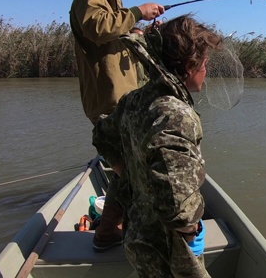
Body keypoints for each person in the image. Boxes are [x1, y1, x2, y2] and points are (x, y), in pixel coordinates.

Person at [93, 14, 219, 277]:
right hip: (170, 252)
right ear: (189, 66)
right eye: (204, 64)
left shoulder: (134, 100)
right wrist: (193, 229)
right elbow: (177, 208)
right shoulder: (176, 115)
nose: (206, 72)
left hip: (137, 235)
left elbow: (102, 137)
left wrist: (126, 174)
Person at [69, 0, 165, 252]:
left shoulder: (114, 8)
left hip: (125, 102)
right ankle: (112, 232)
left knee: (130, 173)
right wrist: (138, 12)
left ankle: (109, 231)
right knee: (132, 174)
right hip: (109, 104)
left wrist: (141, 31)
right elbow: (99, 29)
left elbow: (120, 41)